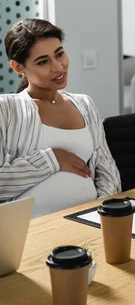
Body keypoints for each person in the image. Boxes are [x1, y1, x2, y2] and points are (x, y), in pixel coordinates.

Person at [0, 19, 121, 217]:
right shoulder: (5, 110)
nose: (58, 67)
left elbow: (107, 169)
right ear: (18, 67)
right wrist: (51, 159)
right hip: (31, 231)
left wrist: (103, 212)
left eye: (59, 54)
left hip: (90, 221)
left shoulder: (85, 104)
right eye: (43, 62)